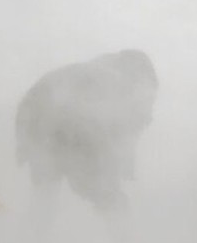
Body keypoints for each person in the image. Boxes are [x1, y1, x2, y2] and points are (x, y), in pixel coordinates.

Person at [15, 49, 158, 224]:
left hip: (35, 124)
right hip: (67, 129)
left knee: (45, 194)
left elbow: (124, 126)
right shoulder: (116, 82)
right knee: (110, 198)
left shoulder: (85, 73)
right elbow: (123, 124)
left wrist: (24, 144)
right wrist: (118, 167)